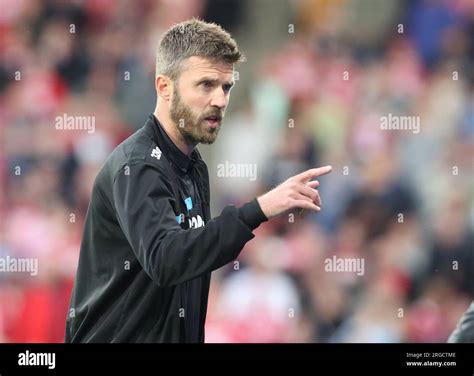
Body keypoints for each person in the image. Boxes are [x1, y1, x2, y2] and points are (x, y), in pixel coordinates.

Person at [65, 18, 332, 343]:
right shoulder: (137, 166)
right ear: (165, 86)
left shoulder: (193, 167)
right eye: (206, 85)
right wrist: (258, 210)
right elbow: (166, 260)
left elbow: (193, 262)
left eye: (226, 87)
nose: (219, 100)